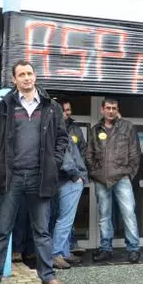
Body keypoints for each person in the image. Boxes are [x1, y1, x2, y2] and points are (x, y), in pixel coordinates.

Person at [0, 60, 69, 284]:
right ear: (14, 80)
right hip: (12, 177)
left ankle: (48, 278)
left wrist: (54, 162)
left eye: (30, 73)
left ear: (35, 76)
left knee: (41, 232)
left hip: (40, 177)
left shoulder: (51, 107)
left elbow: (62, 138)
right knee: (2, 230)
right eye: (22, 75)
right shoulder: (5, 106)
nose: (27, 78)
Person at [86, 98, 142, 263]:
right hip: (101, 179)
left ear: (117, 110)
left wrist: (129, 173)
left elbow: (135, 153)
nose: (111, 111)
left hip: (121, 176)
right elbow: (89, 154)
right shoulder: (95, 130)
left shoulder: (127, 127)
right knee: (104, 216)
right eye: (108, 108)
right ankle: (105, 249)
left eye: (114, 108)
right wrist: (94, 172)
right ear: (102, 110)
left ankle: (133, 248)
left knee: (129, 214)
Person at [50, 100, 88, 269]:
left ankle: (64, 252)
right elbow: (65, 160)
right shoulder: (59, 131)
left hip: (61, 180)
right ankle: (56, 253)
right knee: (65, 220)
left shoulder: (50, 129)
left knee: (62, 218)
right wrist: (76, 176)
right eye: (62, 111)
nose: (66, 114)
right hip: (68, 180)